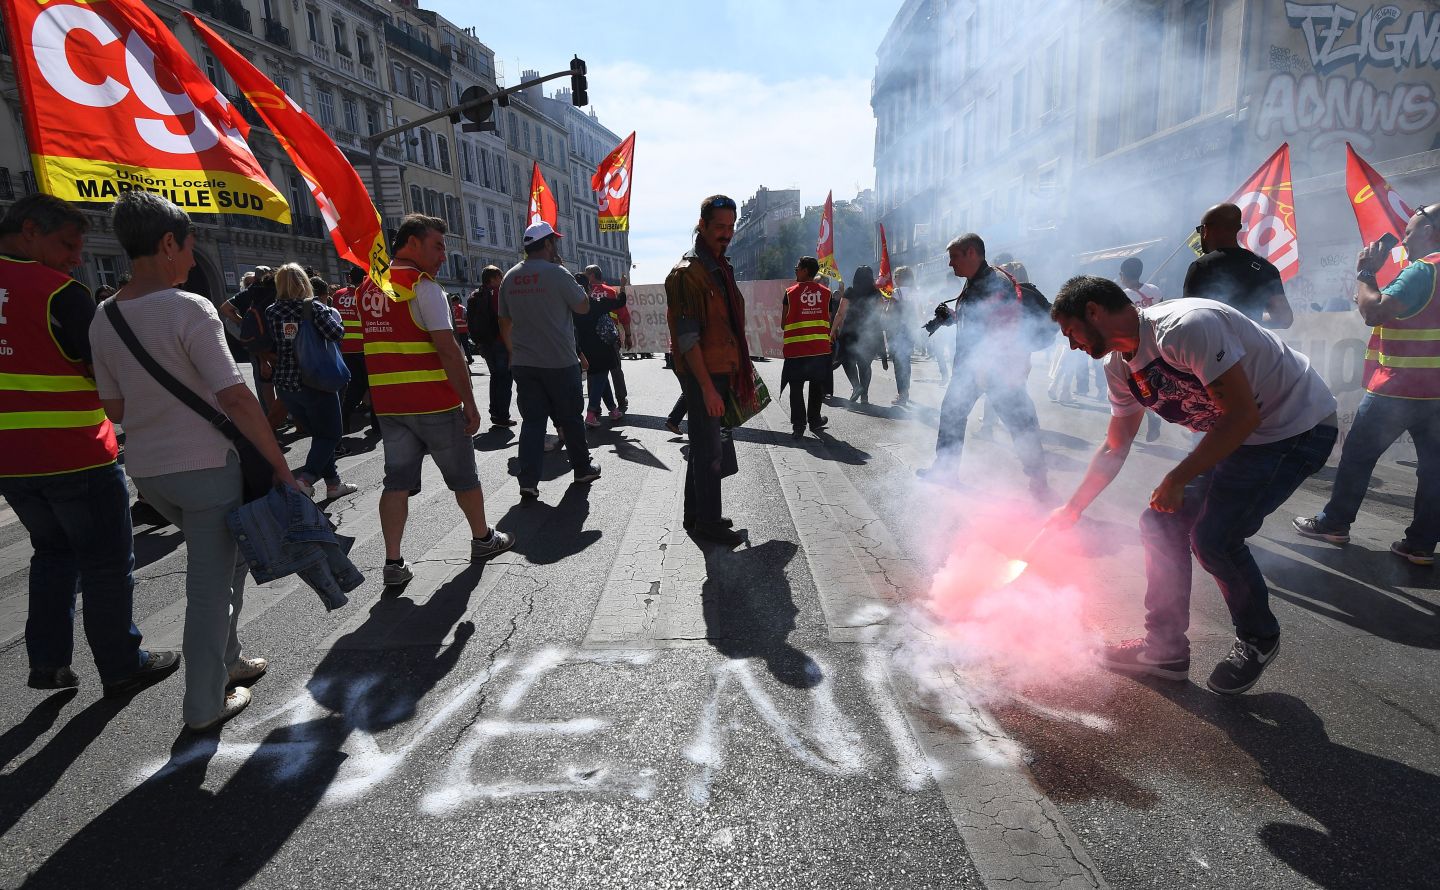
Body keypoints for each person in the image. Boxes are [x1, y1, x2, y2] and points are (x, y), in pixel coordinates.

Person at [1047, 276, 1337, 695]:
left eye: (1070, 331)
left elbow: (1241, 416)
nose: (1072, 345)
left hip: (1294, 428)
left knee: (1214, 538)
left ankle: (1258, 638)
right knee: (1159, 522)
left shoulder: (1186, 327)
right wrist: (1072, 508)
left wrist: (1176, 477)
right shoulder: (1119, 366)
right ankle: (1163, 649)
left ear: (1093, 311)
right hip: (1238, 435)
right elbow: (1115, 446)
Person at [90, 191, 298, 729]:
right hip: (206, 468)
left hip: (150, 473)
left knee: (227, 563)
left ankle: (229, 662)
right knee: (208, 589)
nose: (189, 257)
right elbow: (235, 395)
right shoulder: (190, 308)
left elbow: (113, 405)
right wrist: (279, 464)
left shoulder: (104, 317)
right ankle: (204, 704)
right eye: (187, 246)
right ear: (167, 244)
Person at [0, 194, 178, 696]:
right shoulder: (60, 292)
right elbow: (104, 370)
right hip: (74, 452)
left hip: (9, 460)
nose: (76, 258)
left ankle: (49, 663)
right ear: (29, 230)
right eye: (67, 245)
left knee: (52, 554)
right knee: (105, 564)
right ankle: (122, 662)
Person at [363, 214, 513, 585]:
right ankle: (482, 538)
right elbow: (448, 350)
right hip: (433, 401)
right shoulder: (422, 286)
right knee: (464, 476)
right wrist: (471, 403)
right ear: (411, 243)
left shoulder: (369, 285)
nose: (444, 255)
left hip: (390, 404)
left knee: (396, 482)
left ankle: (393, 563)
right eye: (437, 246)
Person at [1294, 203, 1440, 565]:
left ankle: (1334, 523)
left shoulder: (1424, 271)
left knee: (1358, 456)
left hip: (1398, 389)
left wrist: (1365, 271)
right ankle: (1421, 545)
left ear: (1428, 232)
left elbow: (1373, 311)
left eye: (1409, 229)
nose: (1403, 237)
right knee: (1435, 470)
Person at [917, 233, 1051, 498]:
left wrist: (984, 370)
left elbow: (1002, 330)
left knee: (1021, 423)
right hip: (971, 368)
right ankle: (945, 470)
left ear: (971, 253)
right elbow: (978, 321)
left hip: (995, 370)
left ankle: (1039, 482)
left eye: (954, 257)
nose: (950, 264)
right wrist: (951, 318)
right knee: (952, 414)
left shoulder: (995, 285)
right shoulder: (974, 281)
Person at [666, 195, 753, 547]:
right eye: (719, 227)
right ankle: (710, 522)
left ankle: (697, 515)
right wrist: (707, 388)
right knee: (710, 451)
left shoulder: (718, 266)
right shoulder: (690, 273)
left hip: (718, 369)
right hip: (704, 373)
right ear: (701, 225)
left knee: (704, 447)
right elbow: (687, 339)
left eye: (731, 227)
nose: (727, 234)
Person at [499, 222, 602, 500]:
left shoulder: (509, 276)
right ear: (547, 244)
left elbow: (504, 321)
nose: (556, 246)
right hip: (559, 361)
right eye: (553, 242)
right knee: (570, 419)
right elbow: (583, 306)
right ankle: (582, 468)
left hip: (524, 362)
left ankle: (528, 481)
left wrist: (513, 353)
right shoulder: (558, 273)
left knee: (532, 422)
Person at [264, 263, 356, 500]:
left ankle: (333, 484)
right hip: (316, 381)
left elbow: (275, 340)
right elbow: (336, 334)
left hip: (286, 384)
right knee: (331, 435)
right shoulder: (314, 308)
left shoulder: (272, 311)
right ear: (304, 282)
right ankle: (306, 480)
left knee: (319, 434)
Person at [1183, 203, 1293, 329]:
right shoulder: (1265, 268)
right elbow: (1284, 319)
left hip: (1212, 347)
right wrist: (1249, 322)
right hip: (1251, 347)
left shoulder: (1201, 266)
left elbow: (1189, 318)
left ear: (1206, 230)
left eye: (1199, 230)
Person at [221, 265, 286, 428]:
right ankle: (279, 418)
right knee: (283, 380)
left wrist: (243, 324)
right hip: (275, 341)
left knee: (264, 380)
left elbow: (225, 309)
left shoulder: (249, 293)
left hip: (256, 343)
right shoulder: (275, 291)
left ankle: (271, 418)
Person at [780, 255, 832, 438]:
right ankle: (815, 420)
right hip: (819, 350)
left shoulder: (790, 293)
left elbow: (783, 324)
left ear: (805, 271)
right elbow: (829, 319)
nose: (795, 269)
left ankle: (798, 426)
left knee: (796, 389)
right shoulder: (826, 293)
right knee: (816, 388)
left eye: (797, 267)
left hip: (796, 351)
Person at [574, 269, 628, 426]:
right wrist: (622, 286)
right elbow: (620, 302)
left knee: (601, 378)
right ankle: (591, 413)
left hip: (584, 348)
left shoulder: (572, 308)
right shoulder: (597, 304)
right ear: (589, 288)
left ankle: (613, 410)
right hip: (602, 347)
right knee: (600, 378)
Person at [1118, 258, 1163, 442]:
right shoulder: (1155, 290)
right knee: (1146, 387)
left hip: (1135, 349)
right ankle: (1150, 418)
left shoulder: (1121, 295)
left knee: (1135, 389)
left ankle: (1131, 426)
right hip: (1156, 346)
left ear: (1122, 276)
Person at [467, 265, 515, 429]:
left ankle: (495, 412)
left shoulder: (475, 295)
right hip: (499, 341)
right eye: (500, 277)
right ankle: (502, 415)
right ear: (493, 278)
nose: (502, 280)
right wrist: (510, 348)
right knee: (505, 379)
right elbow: (503, 320)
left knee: (495, 378)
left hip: (485, 343)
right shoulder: (497, 295)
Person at [332, 266, 372, 434]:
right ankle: (372, 421)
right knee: (367, 385)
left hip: (344, 347)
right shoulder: (365, 294)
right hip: (363, 347)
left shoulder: (337, 295)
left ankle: (344, 414)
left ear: (349, 278)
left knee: (351, 385)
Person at [585, 265, 630, 414]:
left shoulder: (584, 294)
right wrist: (628, 335)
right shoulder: (610, 291)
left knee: (594, 373)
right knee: (615, 369)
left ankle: (595, 406)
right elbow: (623, 313)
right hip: (610, 338)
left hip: (591, 340)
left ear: (591, 275)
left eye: (587, 274)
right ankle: (621, 399)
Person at [838, 266, 883, 404]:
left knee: (846, 360)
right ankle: (865, 396)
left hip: (850, 332)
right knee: (865, 364)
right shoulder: (877, 293)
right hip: (870, 332)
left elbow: (841, 312)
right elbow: (879, 313)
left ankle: (856, 386)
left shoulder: (850, 292)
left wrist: (834, 330)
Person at [883, 266, 917, 406]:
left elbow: (889, 312)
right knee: (906, 362)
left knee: (898, 363)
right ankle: (905, 392)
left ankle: (902, 394)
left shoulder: (897, 292)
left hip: (898, 331)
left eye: (896, 276)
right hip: (910, 331)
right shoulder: (916, 292)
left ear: (901, 278)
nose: (894, 279)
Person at [449, 293, 473, 364]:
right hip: (463, 330)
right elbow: (466, 317)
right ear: (457, 300)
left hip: (454, 331)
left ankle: (457, 359)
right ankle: (469, 359)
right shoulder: (462, 308)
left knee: (456, 346)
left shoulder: (449, 309)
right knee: (465, 346)